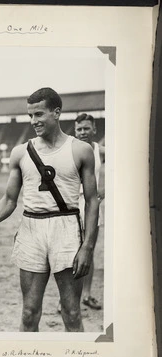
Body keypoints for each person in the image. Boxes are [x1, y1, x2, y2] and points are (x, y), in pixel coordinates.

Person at [0, 88, 99, 332]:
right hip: (31, 229)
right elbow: (10, 199)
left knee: (72, 313)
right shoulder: (20, 152)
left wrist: (87, 246)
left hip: (66, 228)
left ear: (56, 113)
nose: (33, 121)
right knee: (29, 312)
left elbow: (92, 200)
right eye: (30, 115)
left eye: (39, 114)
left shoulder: (80, 150)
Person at [74, 113, 105, 310]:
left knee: (89, 250)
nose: (83, 132)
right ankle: (68, 298)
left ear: (94, 130)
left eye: (86, 128)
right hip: (72, 206)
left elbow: (126, 169)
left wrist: (104, 191)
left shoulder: (101, 151)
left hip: (92, 205)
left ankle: (86, 295)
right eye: (79, 129)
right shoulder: (69, 149)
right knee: (72, 252)